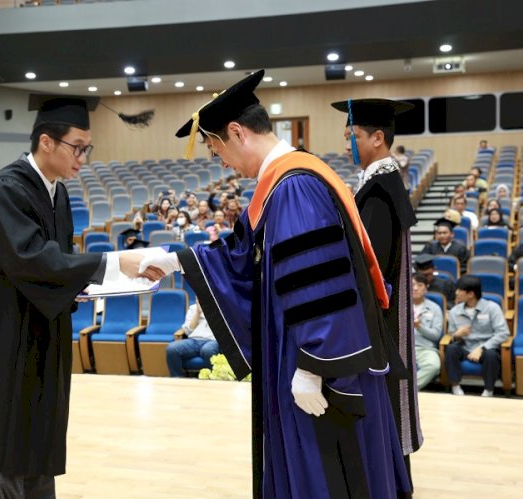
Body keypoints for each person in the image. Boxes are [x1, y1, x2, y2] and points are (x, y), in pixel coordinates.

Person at [138, 70, 410, 498]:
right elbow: (241, 255)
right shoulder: (281, 184)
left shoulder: (295, 186)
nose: (221, 162)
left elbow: (320, 281)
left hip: (316, 362)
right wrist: (175, 260)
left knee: (329, 475)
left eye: (215, 150)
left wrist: (314, 366)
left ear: (236, 132)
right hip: (299, 353)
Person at [0, 94, 147, 498]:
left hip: (38, 330)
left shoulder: (56, 192)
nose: (83, 157)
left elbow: (55, 264)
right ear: (46, 142)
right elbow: (33, 259)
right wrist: (112, 264)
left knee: (38, 430)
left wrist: (79, 284)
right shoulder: (5, 190)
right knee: (6, 440)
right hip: (1, 336)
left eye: (86, 148)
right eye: (78, 147)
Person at [331, 97, 423, 474]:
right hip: (381, 313)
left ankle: (391, 482)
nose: (347, 144)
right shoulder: (381, 183)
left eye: (352, 135)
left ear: (377, 138)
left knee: (384, 400)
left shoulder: (380, 190)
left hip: (379, 318)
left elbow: (371, 267)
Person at [445, 275, 509, 397]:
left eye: (459, 290)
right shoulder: (455, 311)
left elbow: (503, 333)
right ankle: (455, 386)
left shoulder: (492, 308)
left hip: (486, 346)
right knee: (451, 349)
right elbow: (451, 334)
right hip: (465, 346)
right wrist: (457, 335)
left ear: (470, 294)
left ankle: (488, 390)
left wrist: (482, 348)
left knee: (491, 355)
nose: (456, 293)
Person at [166, 299, 219, 377]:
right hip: (193, 340)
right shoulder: (193, 309)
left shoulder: (220, 308)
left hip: (212, 340)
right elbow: (188, 330)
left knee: (207, 350)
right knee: (171, 348)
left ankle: (214, 380)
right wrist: (198, 313)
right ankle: (177, 379)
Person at [412, 274, 443, 390]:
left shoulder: (435, 308)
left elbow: (436, 335)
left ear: (426, 288)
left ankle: (410, 390)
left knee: (433, 365)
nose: (415, 288)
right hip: (401, 347)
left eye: (419, 285)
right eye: (412, 285)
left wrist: (419, 327)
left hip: (425, 348)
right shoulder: (400, 306)